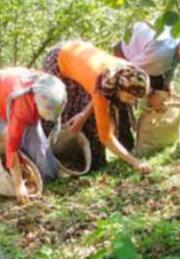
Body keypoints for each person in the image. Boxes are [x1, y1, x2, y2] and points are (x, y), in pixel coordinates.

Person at [42, 40, 150, 173]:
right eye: (129, 98)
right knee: (62, 109)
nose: (131, 102)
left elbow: (96, 90)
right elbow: (106, 137)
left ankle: (93, 163)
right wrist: (135, 162)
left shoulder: (129, 72)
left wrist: (83, 115)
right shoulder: (109, 79)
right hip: (59, 60)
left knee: (86, 115)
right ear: (117, 88)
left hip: (80, 56)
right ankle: (50, 159)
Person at [0, 67, 67, 204]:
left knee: (35, 138)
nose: (47, 118)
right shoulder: (23, 108)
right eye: (46, 115)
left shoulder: (54, 90)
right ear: (38, 103)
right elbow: (10, 145)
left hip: (16, 82)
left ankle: (47, 174)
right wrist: (18, 185)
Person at [114, 22, 180, 113]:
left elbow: (174, 62)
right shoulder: (161, 55)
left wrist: (167, 84)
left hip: (145, 55)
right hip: (126, 57)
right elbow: (131, 71)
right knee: (124, 102)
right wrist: (151, 95)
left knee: (162, 90)